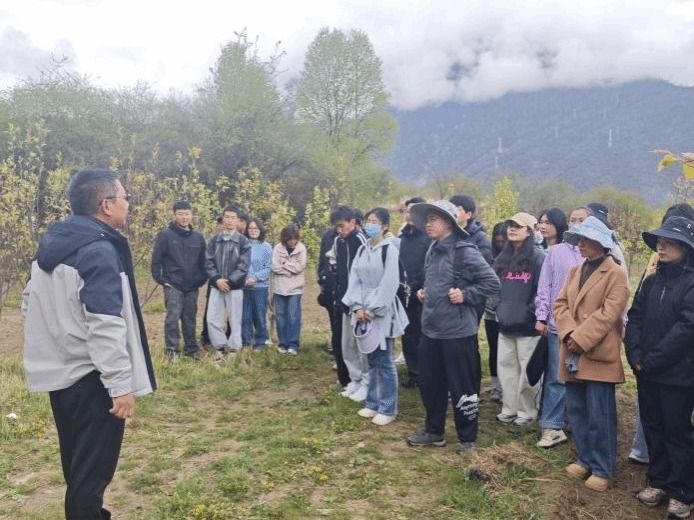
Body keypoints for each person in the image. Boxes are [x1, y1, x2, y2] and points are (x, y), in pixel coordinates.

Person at [22, 169, 156, 519]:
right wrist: (119, 385)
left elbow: (29, 303)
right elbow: (105, 324)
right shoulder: (98, 250)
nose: (128, 204)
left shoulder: (53, 245)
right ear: (106, 205)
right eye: (125, 197)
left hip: (63, 379)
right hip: (93, 380)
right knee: (90, 479)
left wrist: (60, 340)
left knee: (78, 470)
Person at [405, 200, 500, 452]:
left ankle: (467, 438)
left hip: (458, 334)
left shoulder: (465, 251)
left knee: (463, 387)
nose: (428, 224)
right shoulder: (432, 248)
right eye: (426, 220)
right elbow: (436, 281)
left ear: (448, 222)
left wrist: (466, 295)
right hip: (430, 330)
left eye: (433, 219)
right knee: (430, 384)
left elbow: (492, 283)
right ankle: (434, 431)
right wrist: (425, 292)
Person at [554, 216, 630, 493]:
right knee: (577, 410)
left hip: (598, 352)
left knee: (600, 415)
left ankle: (602, 468)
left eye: (585, 239)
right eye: (579, 239)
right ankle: (585, 459)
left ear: (600, 242)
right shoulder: (575, 270)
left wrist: (581, 338)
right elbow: (560, 304)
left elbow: (610, 313)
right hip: (572, 351)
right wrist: (569, 334)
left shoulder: (616, 273)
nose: (580, 244)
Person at [625, 216, 694, 517]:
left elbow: (687, 328)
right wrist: (635, 354)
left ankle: (682, 492)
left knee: (677, 432)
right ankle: (659, 480)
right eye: (660, 242)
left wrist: (652, 360)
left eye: (668, 243)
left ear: (685, 247)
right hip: (647, 372)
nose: (661, 247)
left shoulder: (691, 283)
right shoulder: (651, 281)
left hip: (678, 376)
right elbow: (635, 317)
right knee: (653, 427)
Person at [342, 207, 409, 425]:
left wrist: (372, 309)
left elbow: (389, 283)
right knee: (370, 358)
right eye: (368, 220)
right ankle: (372, 403)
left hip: (381, 312)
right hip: (361, 310)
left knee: (385, 359)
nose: (370, 225)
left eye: (374, 221)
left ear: (385, 226)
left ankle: (388, 408)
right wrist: (356, 306)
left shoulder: (389, 250)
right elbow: (354, 279)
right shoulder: (363, 250)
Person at [533, 206, 588, 448]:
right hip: (558, 324)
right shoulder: (556, 252)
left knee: (582, 376)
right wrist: (542, 316)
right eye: (573, 219)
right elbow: (545, 285)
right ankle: (552, 426)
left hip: (587, 327)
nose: (577, 223)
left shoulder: (599, 254)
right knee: (557, 376)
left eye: (582, 219)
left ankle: (576, 422)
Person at [493, 212, 546, 426]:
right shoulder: (502, 258)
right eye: (510, 225)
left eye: (518, 226)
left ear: (529, 231)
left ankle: (527, 412)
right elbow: (493, 286)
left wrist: (529, 312)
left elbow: (542, 290)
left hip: (528, 326)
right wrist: (498, 307)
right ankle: (509, 408)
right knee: (506, 369)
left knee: (527, 372)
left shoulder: (538, 257)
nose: (512, 229)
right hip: (505, 324)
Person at [151, 200, 207, 361]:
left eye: (187, 214)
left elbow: (204, 262)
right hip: (173, 285)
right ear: (174, 215)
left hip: (192, 286)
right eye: (180, 214)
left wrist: (201, 279)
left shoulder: (198, 237)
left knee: (190, 318)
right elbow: (156, 261)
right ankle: (172, 351)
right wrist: (162, 280)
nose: (184, 217)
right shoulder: (166, 235)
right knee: (172, 319)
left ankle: (191, 349)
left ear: (191, 215)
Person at [331, 205, 369, 402]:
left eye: (342, 225)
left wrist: (361, 303)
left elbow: (365, 274)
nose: (340, 230)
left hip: (360, 303)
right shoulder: (338, 242)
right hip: (344, 301)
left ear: (353, 222)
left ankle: (366, 383)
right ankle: (354, 380)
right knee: (347, 344)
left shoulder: (362, 241)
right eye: (336, 227)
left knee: (362, 345)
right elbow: (338, 270)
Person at [205, 205, 252, 356]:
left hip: (235, 287)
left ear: (238, 221)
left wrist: (230, 282)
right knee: (212, 319)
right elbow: (208, 262)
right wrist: (217, 279)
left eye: (233, 218)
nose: (230, 220)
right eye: (227, 217)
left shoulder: (244, 242)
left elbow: (243, 266)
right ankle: (220, 348)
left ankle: (233, 350)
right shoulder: (214, 240)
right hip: (216, 286)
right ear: (223, 219)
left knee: (235, 320)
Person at [398, 197, 431, 389]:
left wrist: (420, 286)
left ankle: (426, 373)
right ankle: (413, 373)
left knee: (422, 334)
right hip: (405, 293)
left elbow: (429, 266)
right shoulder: (402, 237)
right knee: (408, 333)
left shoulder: (428, 238)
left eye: (414, 212)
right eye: (407, 211)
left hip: (422, 294)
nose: (410, 215)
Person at [272, 225, 307, 355]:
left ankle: (293, 344)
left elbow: (300, 267)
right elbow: (274, 267)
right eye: (289, 239)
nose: (292, 242)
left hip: (295, 289)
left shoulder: (301, 248)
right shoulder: (277, 248)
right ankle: (283, 343)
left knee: (293, 317)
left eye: (294, 239)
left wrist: (285, 264)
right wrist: (289, 271)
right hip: (279, 288)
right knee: (280, 316)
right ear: (285, 239)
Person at [483, 222, 507, 402]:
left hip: (510, 312)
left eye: (504, 241)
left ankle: (508, 386)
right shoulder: (490, 259)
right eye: (498, 241)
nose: (501, 245)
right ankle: (495, 386)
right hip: (491, 311)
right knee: (494, 349)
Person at [241, 218, 273, 349]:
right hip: (244, 286)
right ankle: (246, 342)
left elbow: (268, 267)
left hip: (260, 287)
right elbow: (239, 265)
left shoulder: (266, 247)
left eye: (256, 228)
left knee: (260, 316)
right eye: (251, 228)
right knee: (245, 316)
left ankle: (261, 342)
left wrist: (254, 278)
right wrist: (244, 279)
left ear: (260, 230)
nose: (253, 231)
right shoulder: (242, 245)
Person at [450, 194, 493, 264]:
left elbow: (484, 263)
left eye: (458, 210)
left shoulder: (480, 238)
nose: (453, 213)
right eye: (451, 209)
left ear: (468, 214)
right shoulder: (444, 234)